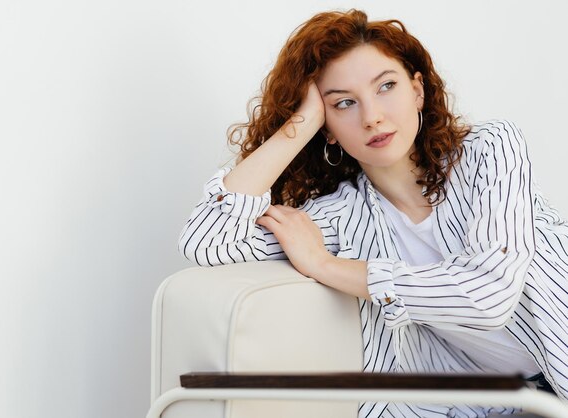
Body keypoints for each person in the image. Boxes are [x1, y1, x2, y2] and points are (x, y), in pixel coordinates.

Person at [178, 9, 568, 417]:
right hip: (512, 404)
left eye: (386, 87)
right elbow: (206, 241)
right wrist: (301, 122)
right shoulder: (341, 217)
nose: (372, 117)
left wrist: (325, 266)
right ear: (326, 128)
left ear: (418, 90)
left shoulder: (490, 151)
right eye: (344, 103)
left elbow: (488, 295)